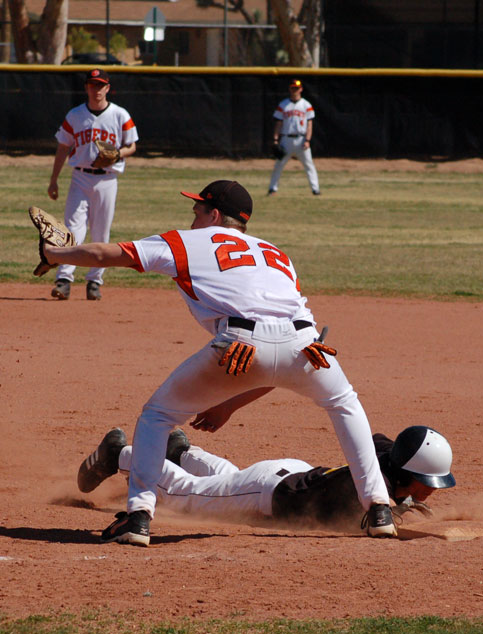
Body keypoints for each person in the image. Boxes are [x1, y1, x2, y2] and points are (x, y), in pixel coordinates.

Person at [30, 179, 394, 547]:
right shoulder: (276, 253)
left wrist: (55, 253)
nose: (192, 220)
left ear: (214, 215)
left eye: (197, 211)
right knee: (345, 404)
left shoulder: (187, 242)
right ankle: (379, 508)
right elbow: (281, 331)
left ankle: (138, 516)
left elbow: (103, 255)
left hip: (239, 345)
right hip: (306, 346)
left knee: (157, 416)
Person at [77, 423, 456, 533]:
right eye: (426, 482)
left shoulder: (385, 460)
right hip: (268, 491)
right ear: (407, 473)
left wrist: (406, 496)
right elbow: (381, 525)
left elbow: (375, 440)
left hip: (289, 473)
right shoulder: (377, 495)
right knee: (189, 495)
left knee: (228, 482)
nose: (430, 491)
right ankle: (120, 454)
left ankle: (181, 454)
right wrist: (402, 507)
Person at [46, 68, 138, 301]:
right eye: (92, 84)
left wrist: (117, 154)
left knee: (100, 231)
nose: (96, 89)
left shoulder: (120, 115)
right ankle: (64, 280)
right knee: (72, 228)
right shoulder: (75, 115)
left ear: (107, 88)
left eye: (100, 85)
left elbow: (132, 145)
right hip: (80, 177)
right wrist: (54, 180)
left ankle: (94, 281)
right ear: (86, 87)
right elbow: (63, 147)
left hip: (107, 179)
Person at [268, 79, 320, 197]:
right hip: (286, 139)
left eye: (297, 88)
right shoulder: (283, 105)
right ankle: (272, 189)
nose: (295, 90)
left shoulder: (306, 105)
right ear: (289, 89)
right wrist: (275, 139)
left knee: (309, 165)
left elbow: (310, 124)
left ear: (301, 89)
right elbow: (278, 123)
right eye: (293, 88)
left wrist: (307, 140)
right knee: (278, 165)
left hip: (302, 140)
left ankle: (315, 190)